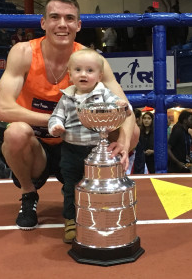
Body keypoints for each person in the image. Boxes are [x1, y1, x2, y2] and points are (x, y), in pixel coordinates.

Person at [0, 0, 138, 231]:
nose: (62, 24)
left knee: (131, 134)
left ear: (78, 25)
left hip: (76, 145)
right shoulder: (23, 53)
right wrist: (58, 120)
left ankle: (97, 190)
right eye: (55, 17)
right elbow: (2, 109)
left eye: (70, 18)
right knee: (15, 133)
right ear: (43, 23)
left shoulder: (92, 60)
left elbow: (126, 109)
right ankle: (28, 194)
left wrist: (124, 142)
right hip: (37, 147)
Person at [48, 48, 129, 243]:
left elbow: (123, 106)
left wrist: (122, 106)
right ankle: (70, 220)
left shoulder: (104, 94)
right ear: (70, 74)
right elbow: (55, 116)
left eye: (90, 70)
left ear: (100, 75)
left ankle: (100, 218)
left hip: (98, 151)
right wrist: (56, 127)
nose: (83, 74)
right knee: (70, 186)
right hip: (70, 150)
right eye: (78, 70)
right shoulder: (66, 97)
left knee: (98, 187)